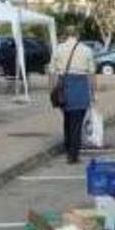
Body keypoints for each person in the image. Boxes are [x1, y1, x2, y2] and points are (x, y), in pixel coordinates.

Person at [48, 26, 96, 164]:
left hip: (64, 88)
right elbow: (92, 74)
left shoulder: (58, 49)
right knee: (76, 122)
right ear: (78, 35)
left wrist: (51, 90)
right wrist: (93, 93)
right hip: (80, 87)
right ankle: (73, 154)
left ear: (65, 35)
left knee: (67, 119)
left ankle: (69, 147)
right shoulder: (87, 50)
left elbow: (51, 72)